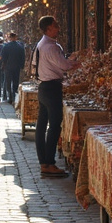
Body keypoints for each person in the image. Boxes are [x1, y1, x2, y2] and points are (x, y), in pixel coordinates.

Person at [33, 15, 75, 177]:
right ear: (48, 28)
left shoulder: (42, 44)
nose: (58, 28)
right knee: (55, 125)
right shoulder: (51, 46)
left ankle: (43, 162)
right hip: (51, 88)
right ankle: (49, 163)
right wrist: (75, 63)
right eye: (55, 25)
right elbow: (64, 65)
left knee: (42, 125)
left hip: (44, 87)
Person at [0, 30, 25, 106]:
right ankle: (14, 97)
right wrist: (22, 65)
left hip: (8, 67)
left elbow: (3, 57)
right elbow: (23, 57)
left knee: (8, 82)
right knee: (15, 82)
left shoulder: (6, 46)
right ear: (16, 37)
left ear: (10, 37)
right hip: (17, 67)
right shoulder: (20, 46)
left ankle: (10, 97)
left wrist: (2, 64)